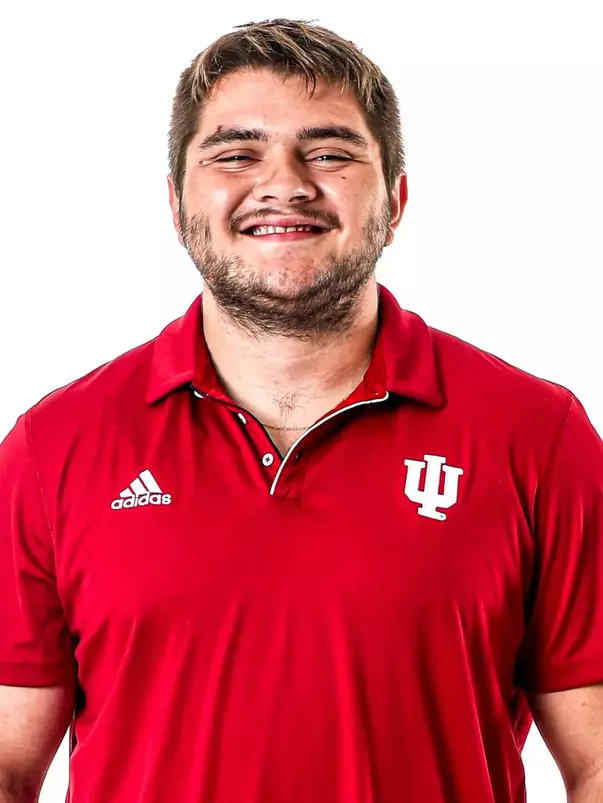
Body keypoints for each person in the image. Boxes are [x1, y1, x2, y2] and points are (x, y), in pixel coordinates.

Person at [0, 17, 602, 803]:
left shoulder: (537, 434)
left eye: (329, 152)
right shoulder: (54, 446)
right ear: (177, 203)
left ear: (394, 199)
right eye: (235, 152)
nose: (284, 182)